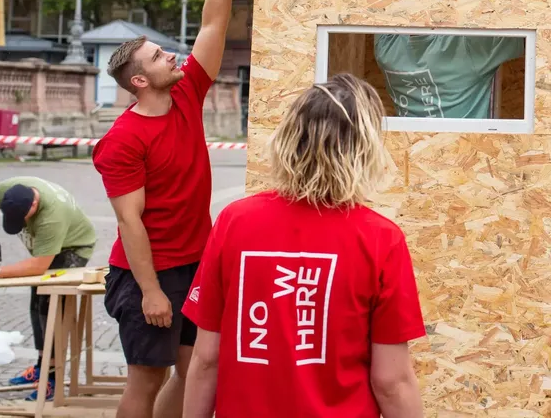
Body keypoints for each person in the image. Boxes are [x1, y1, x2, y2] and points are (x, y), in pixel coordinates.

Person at [181, 74, 424, 418]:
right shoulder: (381, 239)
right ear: (365, 149)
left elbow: (206, 359)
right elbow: (391, 381)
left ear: (288, 140)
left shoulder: (235, 222)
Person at [93, 0, 232, 418]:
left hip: (196, 262)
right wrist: (151, 291)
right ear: (139, 81)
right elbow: (131, 223)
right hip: (146, 274)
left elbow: (213, 23)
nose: (171, 57)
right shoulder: (123, 141)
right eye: (157, 57)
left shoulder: (189, 91)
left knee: (195, 369)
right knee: (146, 380)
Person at [0, 177, 98, 400]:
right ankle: (41, 366)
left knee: (50, 305)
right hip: (49, 249)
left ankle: (52, 378)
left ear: (34, 206)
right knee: (36, 300)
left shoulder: (52, 217)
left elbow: (39, 266)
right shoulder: (9, 190)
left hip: (74, 247)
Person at [374, 33, 523, 119]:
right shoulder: (465, 48)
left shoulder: (385, 48)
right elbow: (534, 31)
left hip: (411, 155)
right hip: (466, 158)